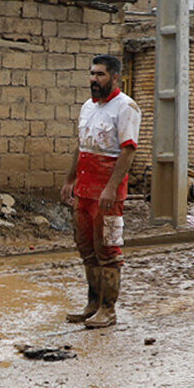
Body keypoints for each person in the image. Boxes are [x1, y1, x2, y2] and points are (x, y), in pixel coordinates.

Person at [60, 54, 140, 329]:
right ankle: (93, 303)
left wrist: (111, 187)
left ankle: (109, 309)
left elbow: (128, 151)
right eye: (92, 74)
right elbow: (81, 146)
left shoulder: (126, 107)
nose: (94, 79)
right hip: (84, 190)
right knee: (86, 250)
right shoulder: (87, 107)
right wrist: (70, 180)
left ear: (115, 77)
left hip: (108, 195)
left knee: (108, 250)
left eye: (100, 74)